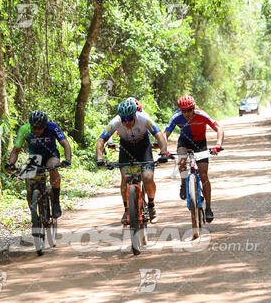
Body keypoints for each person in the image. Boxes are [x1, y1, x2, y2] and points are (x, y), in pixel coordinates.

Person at [96, 98, 168, 224]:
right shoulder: (115, 122)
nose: (127, 122)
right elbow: (101, 140)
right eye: (124, 119)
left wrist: (163, 153)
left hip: (143, 147)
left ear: (135, 115)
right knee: (125, 178)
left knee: (147, 178)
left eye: (130, 119)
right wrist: (100, 158)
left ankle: (151, 206)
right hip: (126, 147)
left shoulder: (144, 119)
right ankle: (126, 209)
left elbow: (159, 136)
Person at [163, 95, 224, 223]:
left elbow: (219, 128)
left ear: (193, 108)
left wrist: (218, 145)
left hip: (200, 143)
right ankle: (183, 183)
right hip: (184, 142)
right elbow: (165, 134)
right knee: (181, 160)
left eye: (189, 110)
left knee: (203, 175)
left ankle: (208, 207)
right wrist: (164, 150)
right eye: (183, 111)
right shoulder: (176, 117)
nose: (186, 114)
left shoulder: (202, 115)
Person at [6, 110, 71, 218]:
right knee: (29, 187)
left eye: (39, 129)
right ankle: (34, 216)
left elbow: (65, 143)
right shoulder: (24, 129)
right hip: (35, 157)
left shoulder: (52, 127)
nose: (36, 131)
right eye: (33, 128)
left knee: (53, 168)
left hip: (51, 154)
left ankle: (55, 201)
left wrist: (67, 160)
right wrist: (11, 164)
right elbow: (16, 150)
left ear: (45, 125)